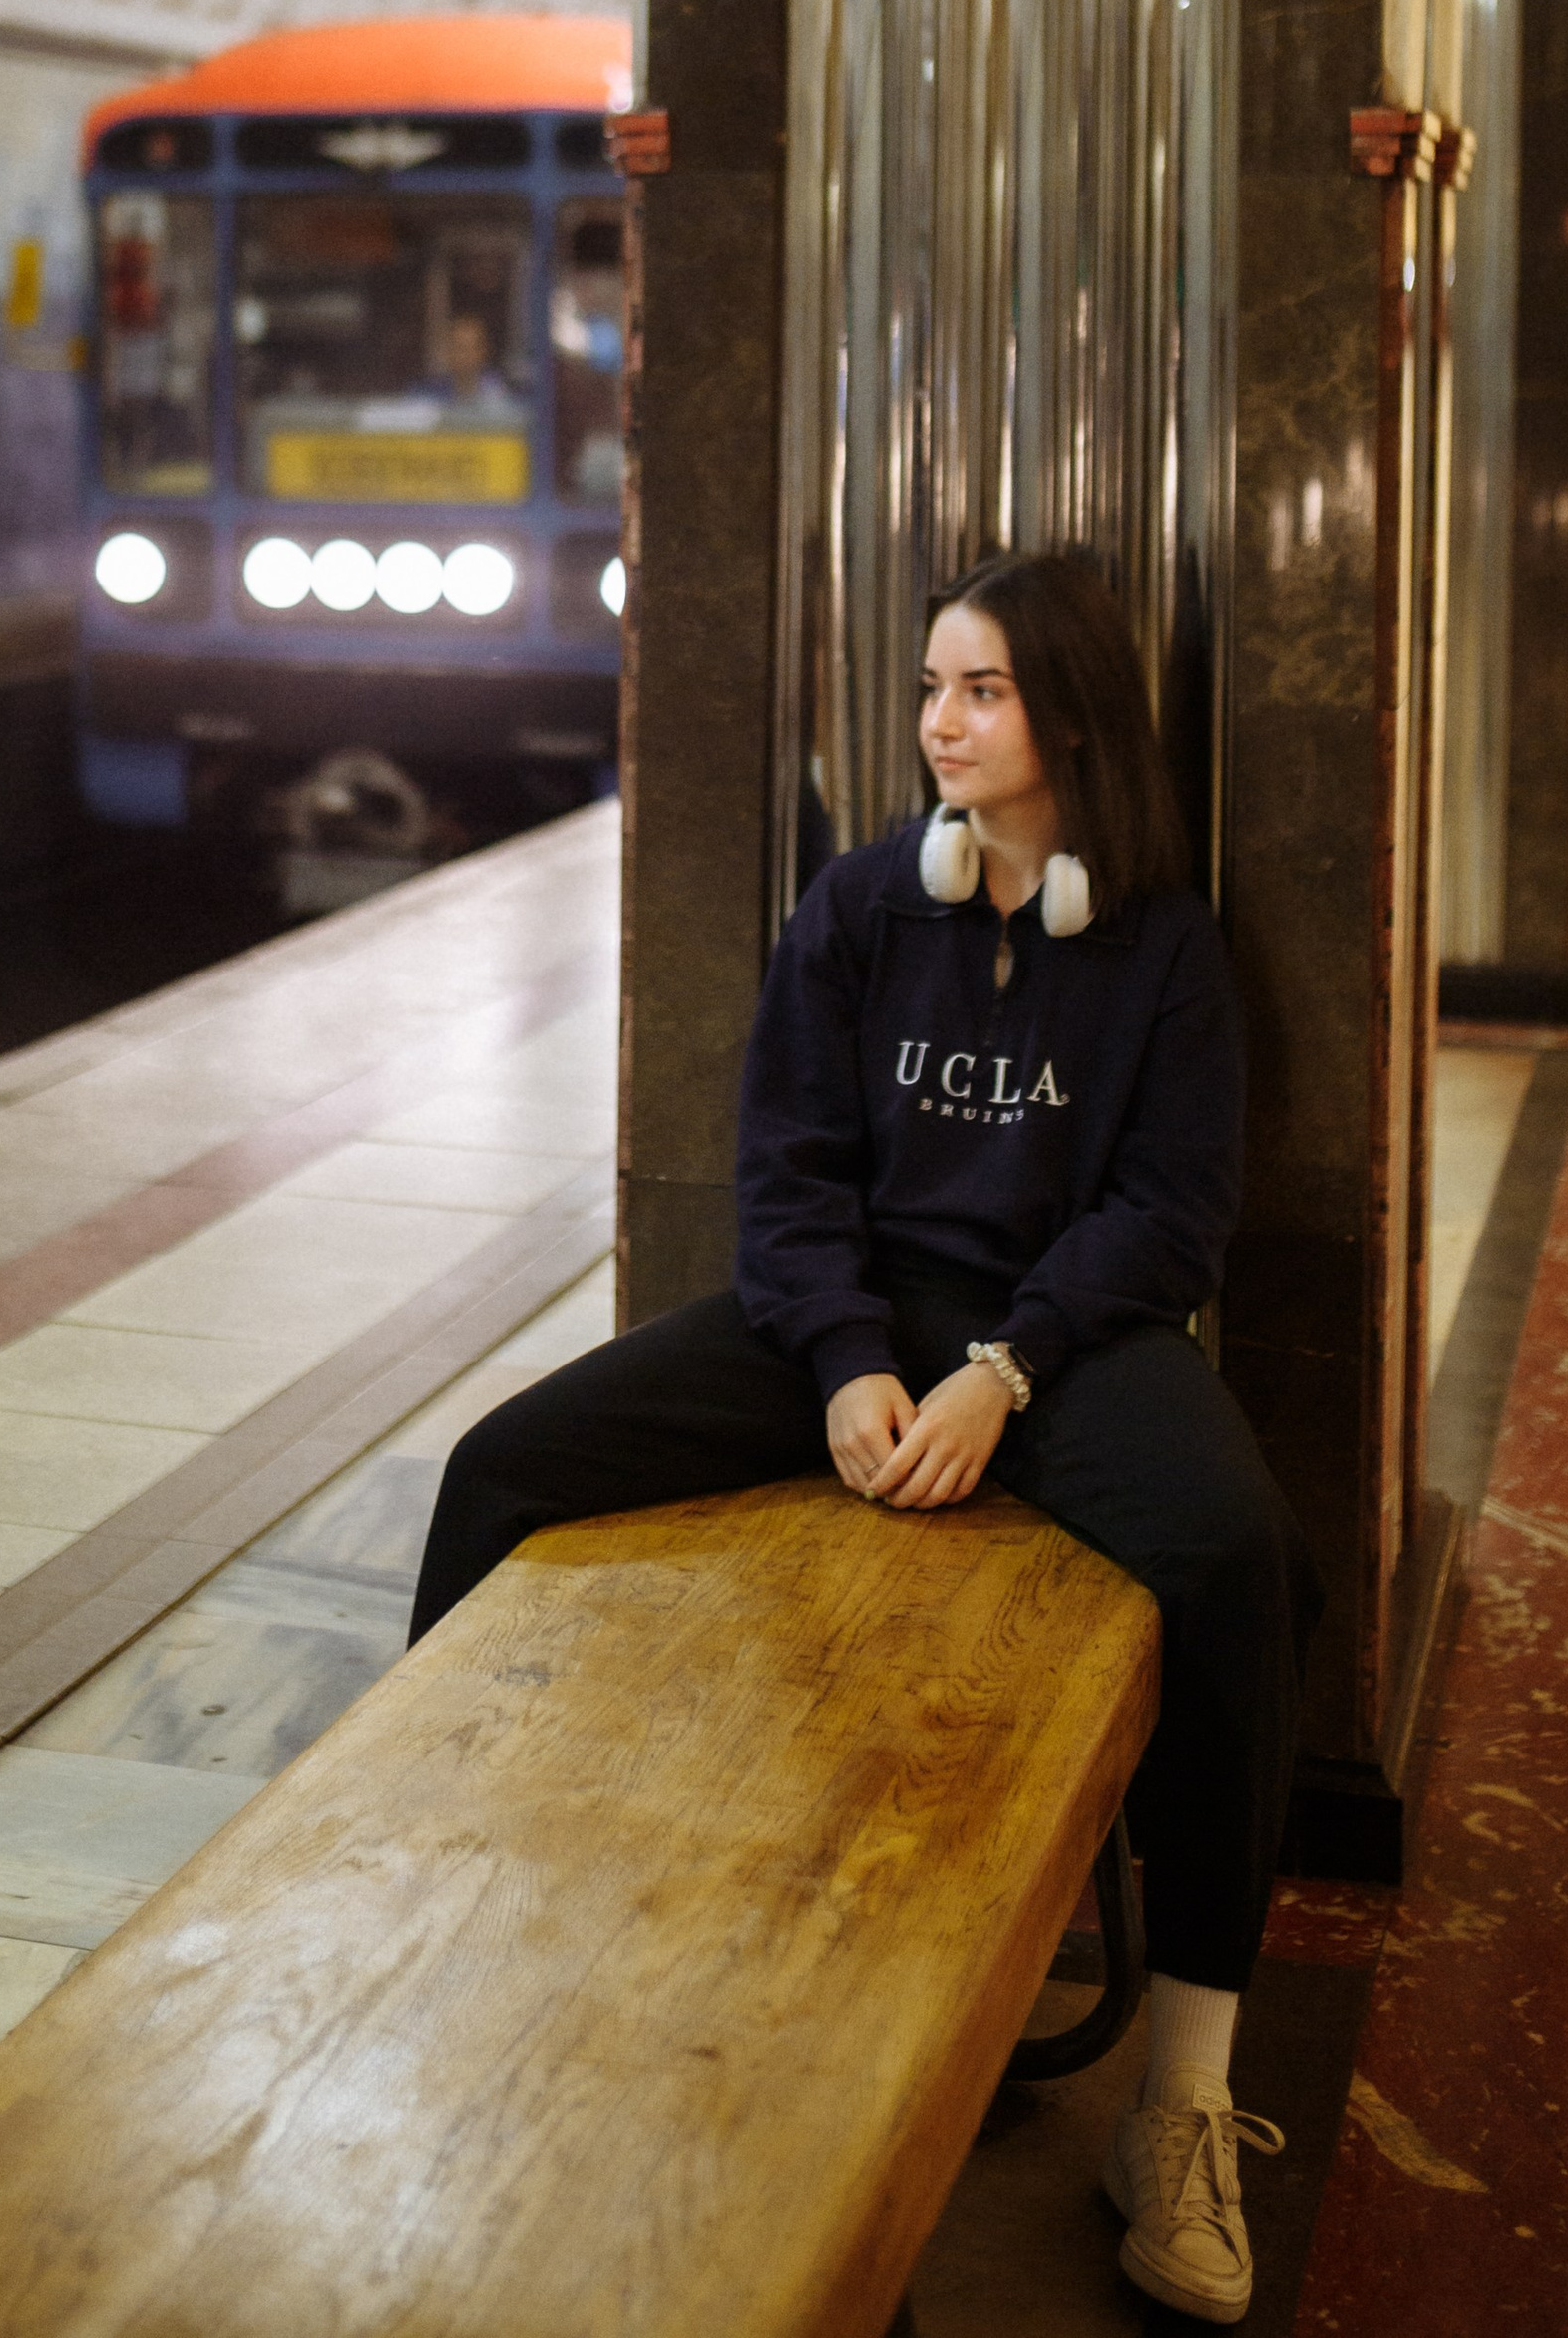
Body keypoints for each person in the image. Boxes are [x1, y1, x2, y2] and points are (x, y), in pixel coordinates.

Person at [409, 548, 1321, 2325]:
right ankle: (468, 1950)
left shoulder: (1162, 951)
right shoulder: (855, 912)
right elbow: (789, 1173)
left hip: (1059, 1339)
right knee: (496, 1467)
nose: (940, 725)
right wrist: (836, 1359)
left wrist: (1011, 1369)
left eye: (980, 690)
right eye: (930, 689)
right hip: (844, 1328)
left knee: (1239, 1560)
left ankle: (1186, 2101)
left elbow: (1171, 1215)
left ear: (1070, 715)